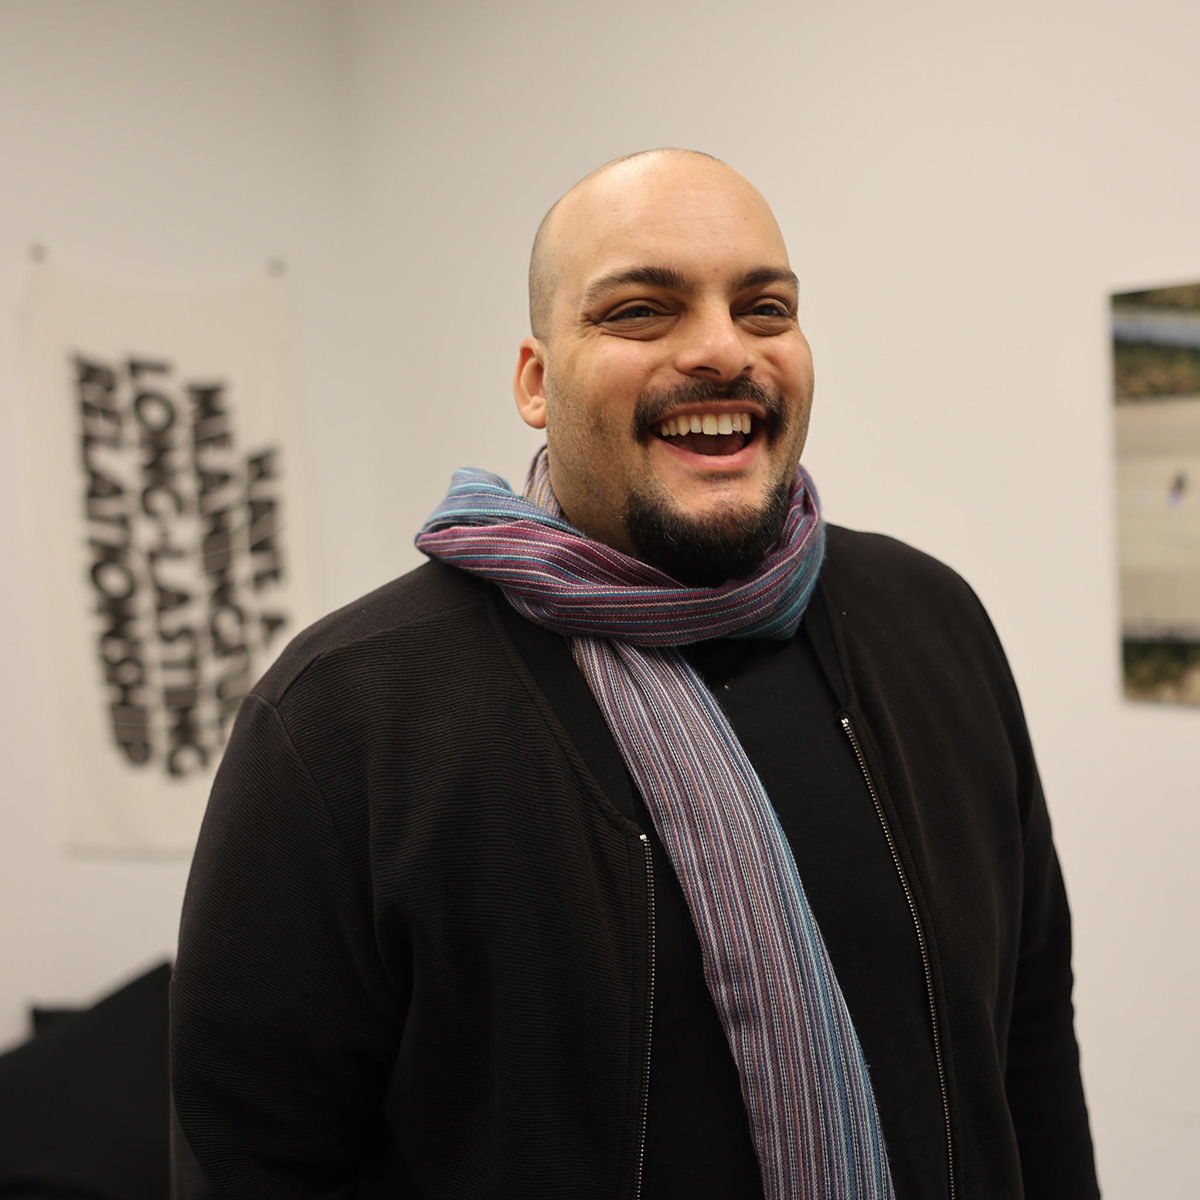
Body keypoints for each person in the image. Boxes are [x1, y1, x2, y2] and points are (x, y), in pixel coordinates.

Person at [170, 149, 1100, 1199]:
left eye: (764, 308)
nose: (722, 349)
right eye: (641, 312)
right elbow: (254, 1158)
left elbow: (1027, 1037)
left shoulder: (932, 623)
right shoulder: (345, 718)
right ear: (536, 381)